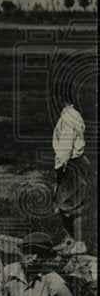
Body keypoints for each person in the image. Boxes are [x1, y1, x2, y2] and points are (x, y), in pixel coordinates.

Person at [51, 84, 90, 255]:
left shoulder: (67, 118)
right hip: (75, 162)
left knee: (73, 205)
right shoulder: (74, 115)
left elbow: (66, 146)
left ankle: (79, 242)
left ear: (59, 99)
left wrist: (60, 167)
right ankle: (70, 240)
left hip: (71, 163)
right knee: (64, 204)